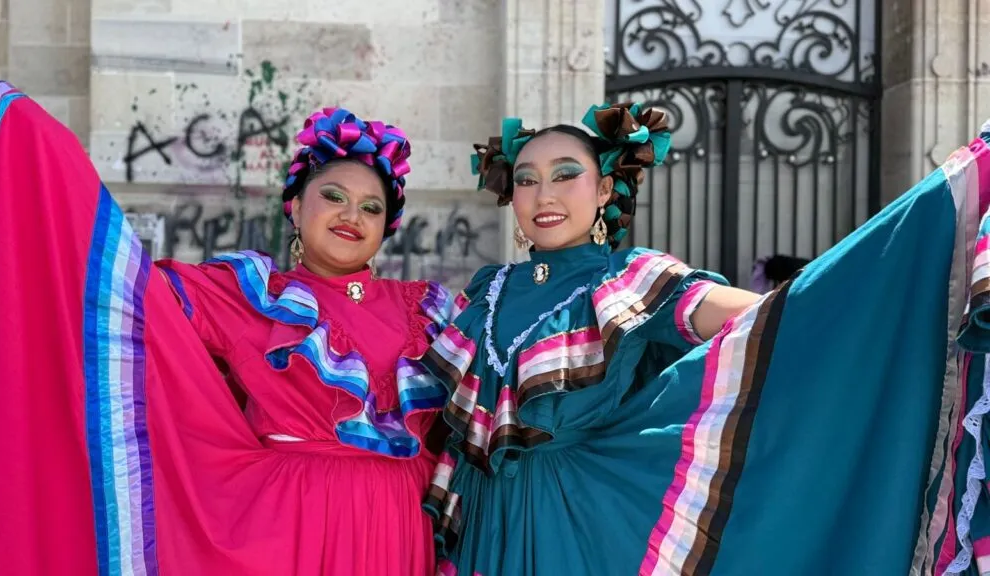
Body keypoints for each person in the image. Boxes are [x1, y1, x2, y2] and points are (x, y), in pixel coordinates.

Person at [421, 102, 990, 575]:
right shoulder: (484, 293)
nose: (544, 193)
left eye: (567, 174)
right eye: (527, 179)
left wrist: (874, 289)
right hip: (483, 521)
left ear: (603, 191)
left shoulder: (630, 279)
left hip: (584, 527)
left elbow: (773, 317)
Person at [0, 82, 451, 575]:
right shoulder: (249, 294)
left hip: (404, 524)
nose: (352, 215)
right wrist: (36, 160)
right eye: (333, 196)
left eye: (372, 208)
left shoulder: (429, 311)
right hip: (295, 528)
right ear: (297, 206)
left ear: (387, 227)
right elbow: (121, 291)